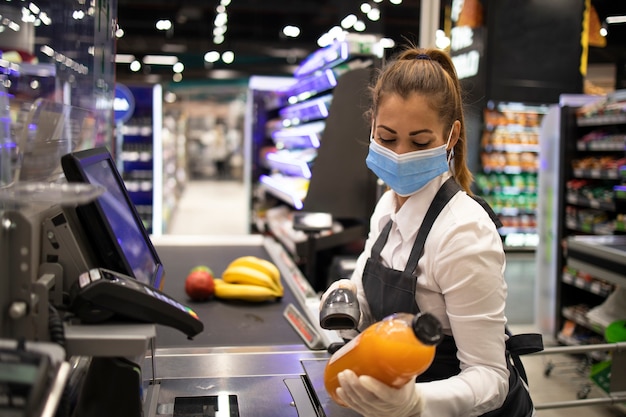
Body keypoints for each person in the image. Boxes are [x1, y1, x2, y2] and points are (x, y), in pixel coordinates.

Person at [320, 45, 536, 417]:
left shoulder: (463, 234)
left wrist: (417, 402)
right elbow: (367, 291)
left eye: (420, 142)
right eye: (387, 138)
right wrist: (348, 295)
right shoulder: (387, 206)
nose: (401, 154)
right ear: (372, 125)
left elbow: (489, 377)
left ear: (451, 137)